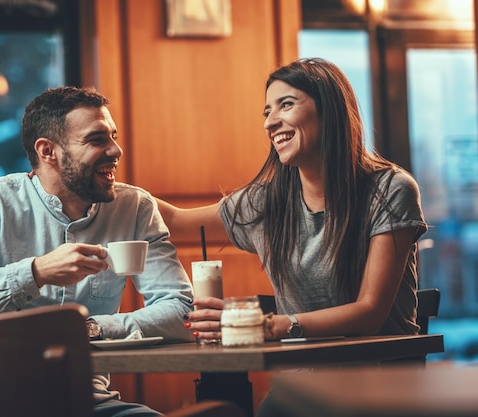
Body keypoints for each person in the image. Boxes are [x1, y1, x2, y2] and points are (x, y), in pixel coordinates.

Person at [156, 58, 427, 415]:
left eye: (286, 104)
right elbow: (174, 221)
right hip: (300, 390)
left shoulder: (390, 189)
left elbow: (369, 312)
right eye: (267, 111)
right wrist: (104, 182)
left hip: (380, 390)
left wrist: (274, 325)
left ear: (329, 110)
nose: (270, 122)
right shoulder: (269, 201)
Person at [0, 86, 194, 417]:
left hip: (91, 403)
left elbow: (181, 311)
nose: (116, 150)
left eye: (114, 136)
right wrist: (35, 273)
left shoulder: (135, 208)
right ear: (48, 151)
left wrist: (91, 328)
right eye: (97, 140)